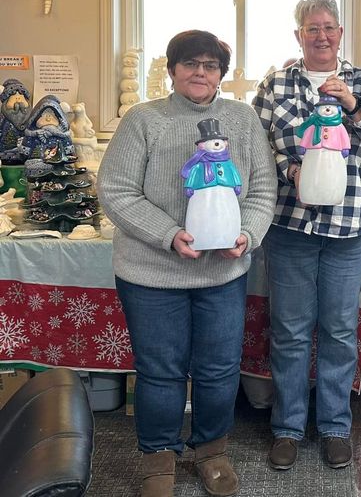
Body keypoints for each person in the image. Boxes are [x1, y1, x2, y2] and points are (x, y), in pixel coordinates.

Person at [96, 30, 277, 497]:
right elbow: (115, 190)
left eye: (211, 65)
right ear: (174, 69)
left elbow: (261, 189)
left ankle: (211, 451)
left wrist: (247, 234)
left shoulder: (242, 119)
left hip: (221, 272)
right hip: (151, 275)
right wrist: (168, 235)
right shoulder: (144, 120)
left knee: (219, 368)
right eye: (190, 63)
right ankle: (157, 458)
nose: (201, 72)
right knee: (160, 370)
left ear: (221, 73)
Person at [252, 0, 361, 471]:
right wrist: (286, 169)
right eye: (311, 28)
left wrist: (353, 105)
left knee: (338, 329)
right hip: (291, 225)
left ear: (340, 34)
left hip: (349, 227)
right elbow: (255, 147)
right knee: (291, 330)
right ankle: (288, 428)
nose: (321, 35)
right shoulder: (275, 84)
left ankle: (335, 426)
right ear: (299, 35)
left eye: (329, 27)